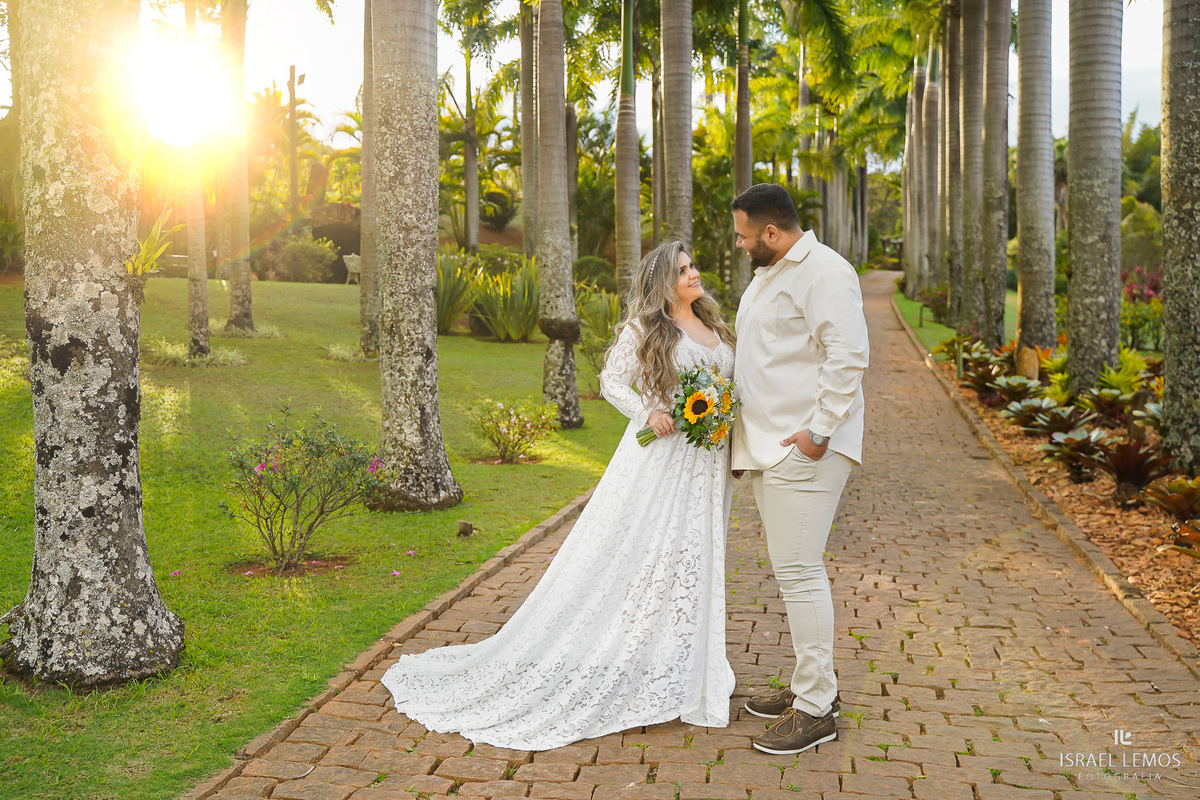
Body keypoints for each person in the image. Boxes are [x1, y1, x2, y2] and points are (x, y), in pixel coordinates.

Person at [380, 240, 737, 750]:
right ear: (663, 283)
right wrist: (651, 411)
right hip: (662, 460)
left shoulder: (713, 324)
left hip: (706, 461)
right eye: (683, 270)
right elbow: (613, 381)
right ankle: (633, 654)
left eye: (693, 265)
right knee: (643, 552)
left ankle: (688, 661)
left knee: (694, 555)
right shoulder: (647, 328)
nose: (693, 274)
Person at [728, 183, 870, 755]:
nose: (740, 244)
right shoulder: (770, 273)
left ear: (771, 231)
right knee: (792, 572)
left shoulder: (825, 272)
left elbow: (848, 355)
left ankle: (815, 709)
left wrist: (820, 431)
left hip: (806, 448)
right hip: (771, 447)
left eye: (744, 235)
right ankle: (809, 686)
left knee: (800, 573)